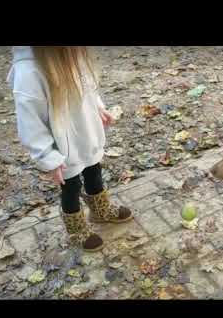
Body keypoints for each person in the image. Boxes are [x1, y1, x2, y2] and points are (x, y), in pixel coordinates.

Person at [7, 46, 133, 252]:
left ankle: (100, 210)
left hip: (86, 132)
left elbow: (87, 86)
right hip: (63, 148)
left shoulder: (72, 53)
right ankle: (76, 228)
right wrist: (47, 156)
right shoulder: (29, 71)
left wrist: (98, 107)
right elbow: (31, 123)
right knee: (71, 185)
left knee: (94, 171)